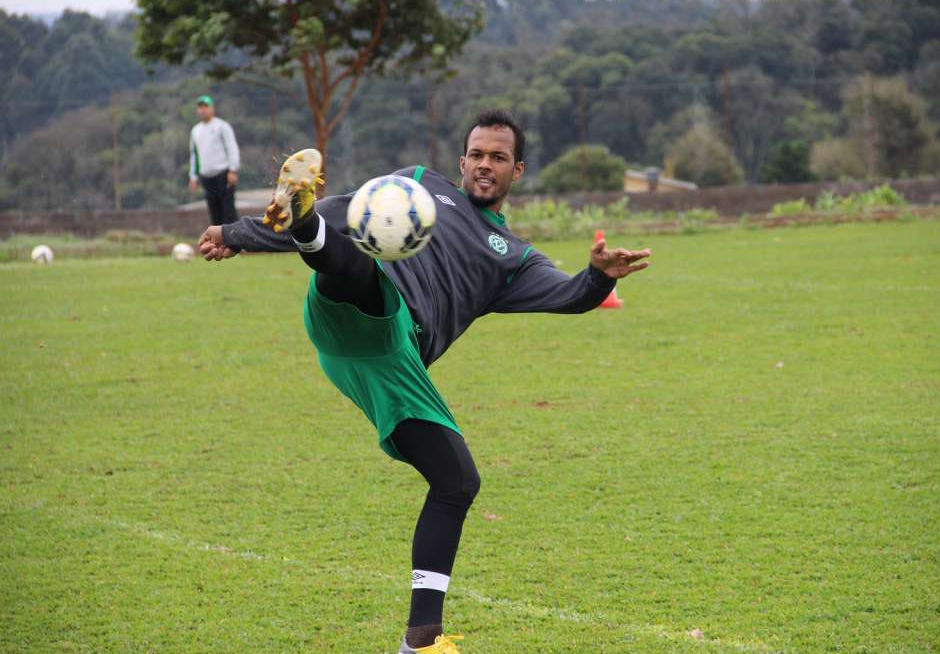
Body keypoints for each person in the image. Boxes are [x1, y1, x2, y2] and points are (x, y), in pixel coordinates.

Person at [197, 110, 650, 653]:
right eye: (477, 155)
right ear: (461, 161)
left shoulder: (514, 259)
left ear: (517, 170)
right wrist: (240, 233)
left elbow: (570, 295)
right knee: (359, 268)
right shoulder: (416, 184)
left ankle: (421, 641)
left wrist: (598, 276)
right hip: (351, 308)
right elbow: (344, 210)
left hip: (393, 356)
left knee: (457, 482)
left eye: (498, 158)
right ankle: (304, 227)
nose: (485, 165)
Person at [189, 94, 241, 225]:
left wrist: (233, 170)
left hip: (223, 174)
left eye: (206, 106)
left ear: (212, 108)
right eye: (200, 107)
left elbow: (231, 147)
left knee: (228, 213)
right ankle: (218, 239)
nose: (203, 110)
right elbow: (195, 155)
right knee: (215, 214)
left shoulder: (222, 126)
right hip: (206, 177)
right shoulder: (195, 130)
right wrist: (193, 176)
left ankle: (235, 238)